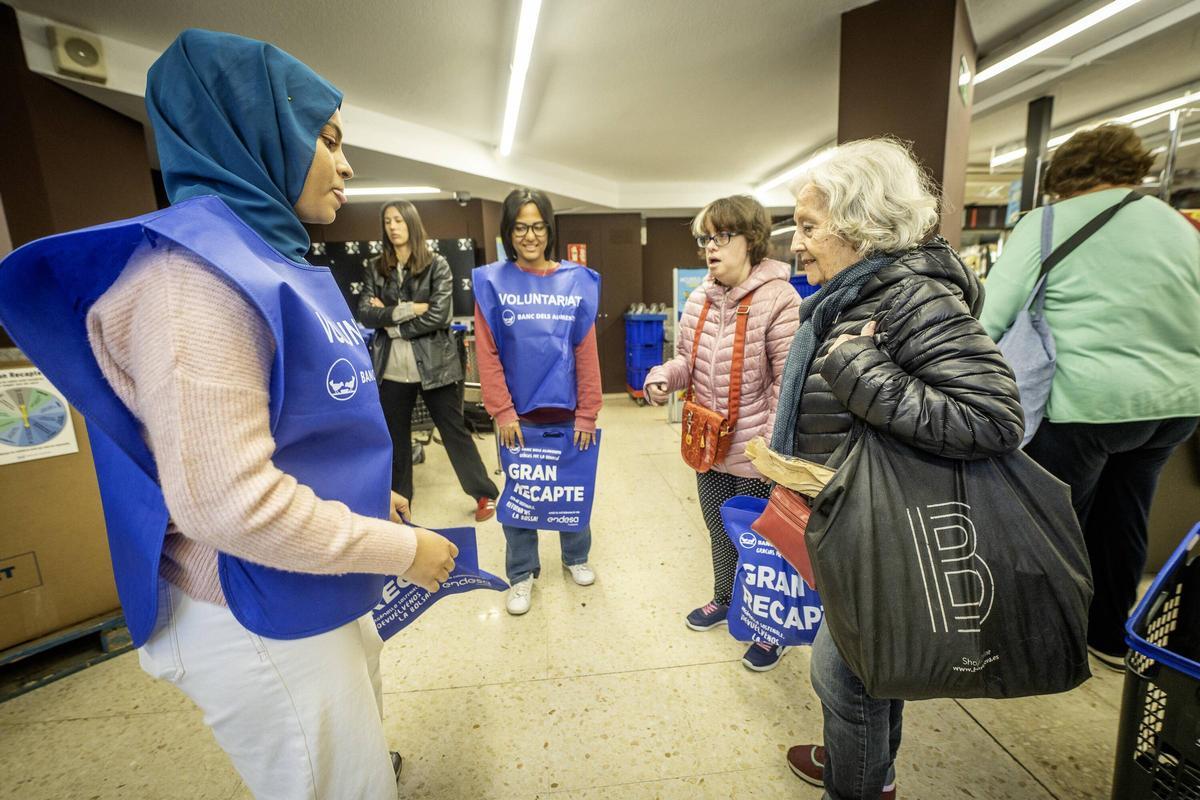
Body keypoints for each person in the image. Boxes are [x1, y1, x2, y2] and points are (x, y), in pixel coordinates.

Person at [0, 30, 459, 799]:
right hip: (253, 611)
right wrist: (400, 551)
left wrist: (367, 501)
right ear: (258, 134)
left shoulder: (264, 259)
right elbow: (227, 501)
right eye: (327, 138)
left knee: (360, 755)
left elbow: (286, 430)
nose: (346, 165)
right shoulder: (194, 284)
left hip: (306, 579)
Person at [773, 139, 1024, 799]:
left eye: (807, 225)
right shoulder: (854, 295)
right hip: (857, 521)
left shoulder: (912, 297)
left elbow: (995, 418)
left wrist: (862, 372)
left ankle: (857, 785)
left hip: (887, 532)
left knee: (843, 678)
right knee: (870, 672)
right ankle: (868, 770)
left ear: (861, 223)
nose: (795, 244)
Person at [981, 124, 1200, 672]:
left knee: (1051, 525)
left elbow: (991, 317)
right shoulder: (1178, 226)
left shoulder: (1049, 223)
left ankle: (1037, 644)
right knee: (1127, 516)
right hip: (1175, 405)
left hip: (1084, 405)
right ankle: (1109, 636)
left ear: (1064, 178)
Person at [643, 195, 800, 672]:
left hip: (756, 449)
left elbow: (784, 382)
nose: (710, 248)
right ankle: (724, 598)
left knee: (759, 539)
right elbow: (688, 362)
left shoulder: (780, 299)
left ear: (751, 240)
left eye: (721, 237)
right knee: (718, 528)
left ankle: (769, 627)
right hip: (707, 446)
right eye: (706, 239)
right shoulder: (699, 299)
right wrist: (664, 376)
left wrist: (768, 450)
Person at [473, 188, 602, 615]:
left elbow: (586, 350)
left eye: (538, 226)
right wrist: (502, 410)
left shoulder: (575, 281)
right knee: (522, 497)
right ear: (508, 232)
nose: (530, 235)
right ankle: (522, 572)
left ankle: (575, 556)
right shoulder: (493, 283)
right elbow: (487, 354)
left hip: (567, 415)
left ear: (550, 229)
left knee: (572, 489)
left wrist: (588, 412)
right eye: (520, 227)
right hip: (518, 418)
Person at [357, 200, 500, 522]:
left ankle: (484, 494)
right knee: (395, 440)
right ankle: (401, 504)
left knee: (454, 433)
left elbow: (439, 315)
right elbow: (365, 312)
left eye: (398, 220)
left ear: (411, 223)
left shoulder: (437, 265)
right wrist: (410, 309)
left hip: (436, 367)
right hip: (392, 371)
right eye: (388, 221)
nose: (393, 227)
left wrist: (391, 323)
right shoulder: (375, 267)